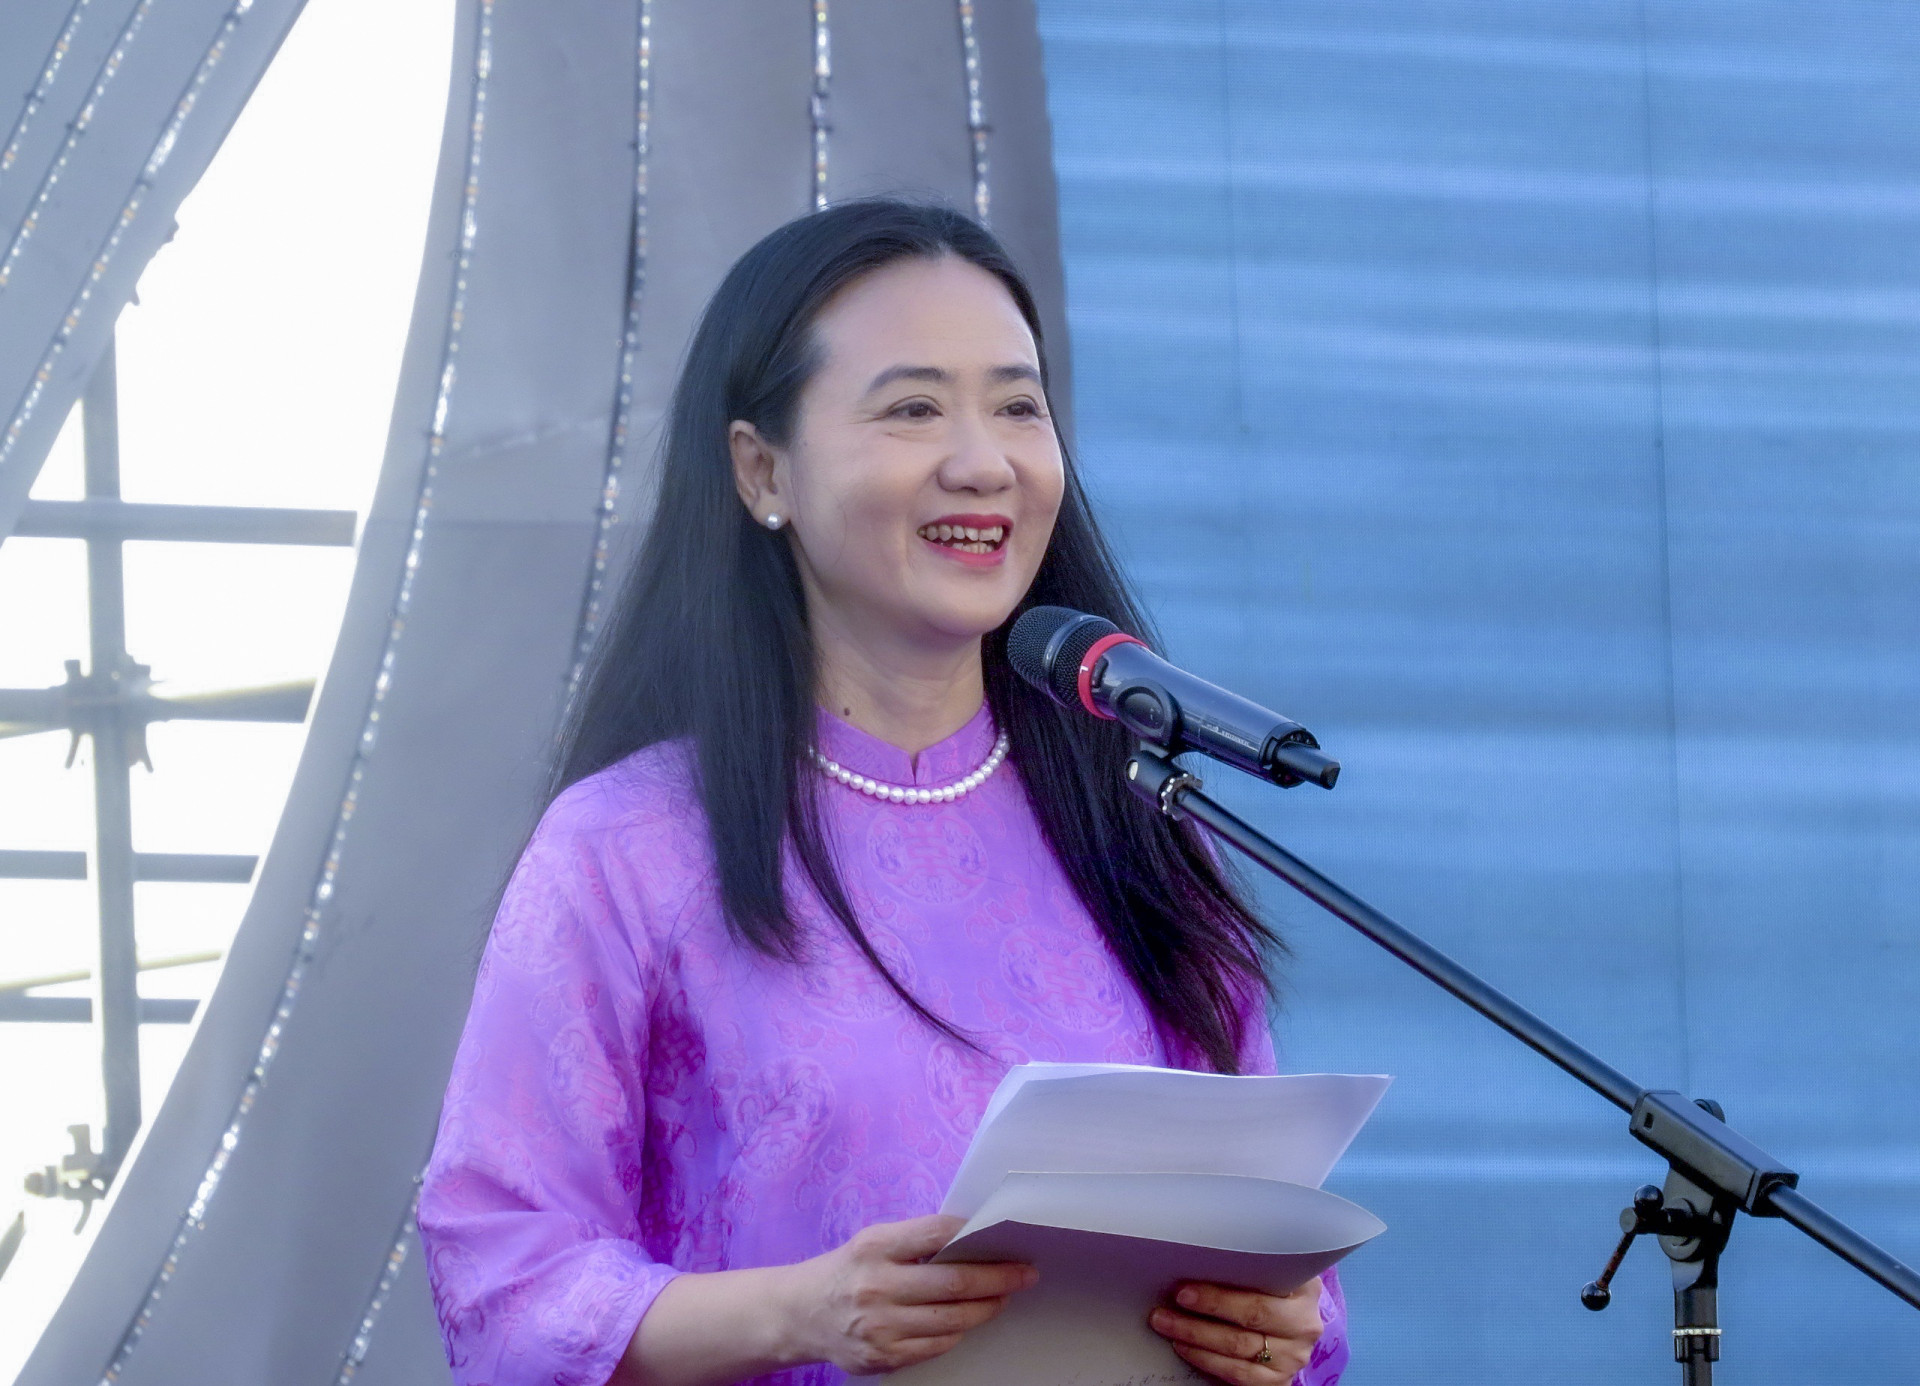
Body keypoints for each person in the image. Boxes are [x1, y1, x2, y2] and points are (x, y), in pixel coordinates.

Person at [417, 198, 1350, 1386]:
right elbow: (499, 1281)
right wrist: (801, 1315)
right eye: (913, 408)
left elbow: (1291, 1303)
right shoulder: (627, 846)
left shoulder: (1143, 831)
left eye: (1018, 406)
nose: (984, 460)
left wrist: (1275, 1331)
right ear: (762, 470)